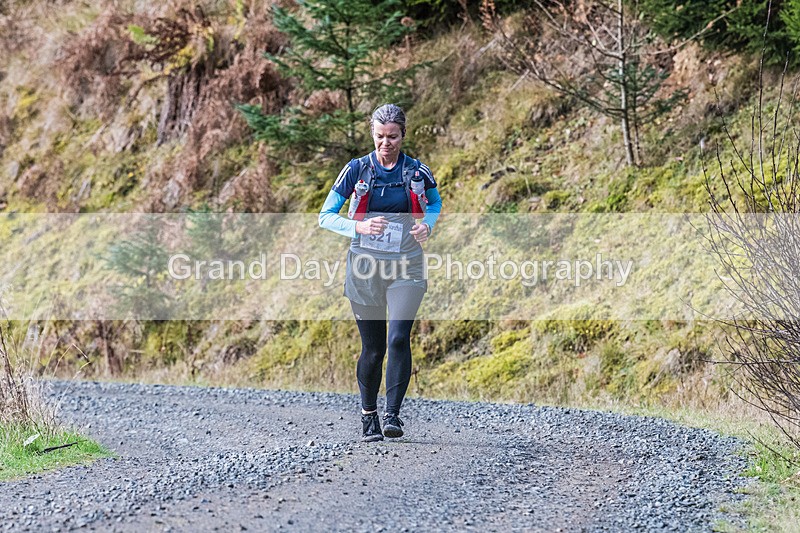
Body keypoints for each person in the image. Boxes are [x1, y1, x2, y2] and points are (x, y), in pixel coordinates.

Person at [318, 104, 442, 442]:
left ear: (403, 135)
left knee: (399, 337)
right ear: (372, 135)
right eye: (379, 137)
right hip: (365, 266)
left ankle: (393, 416)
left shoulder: (417, 171)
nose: (385, 143)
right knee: (373, 349)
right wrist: (358, 227)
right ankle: (368, 414)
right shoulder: (356, 169)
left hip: (406, 264)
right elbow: (325, 216)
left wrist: (426, 227)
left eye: (392, 137)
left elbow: (434, 204)